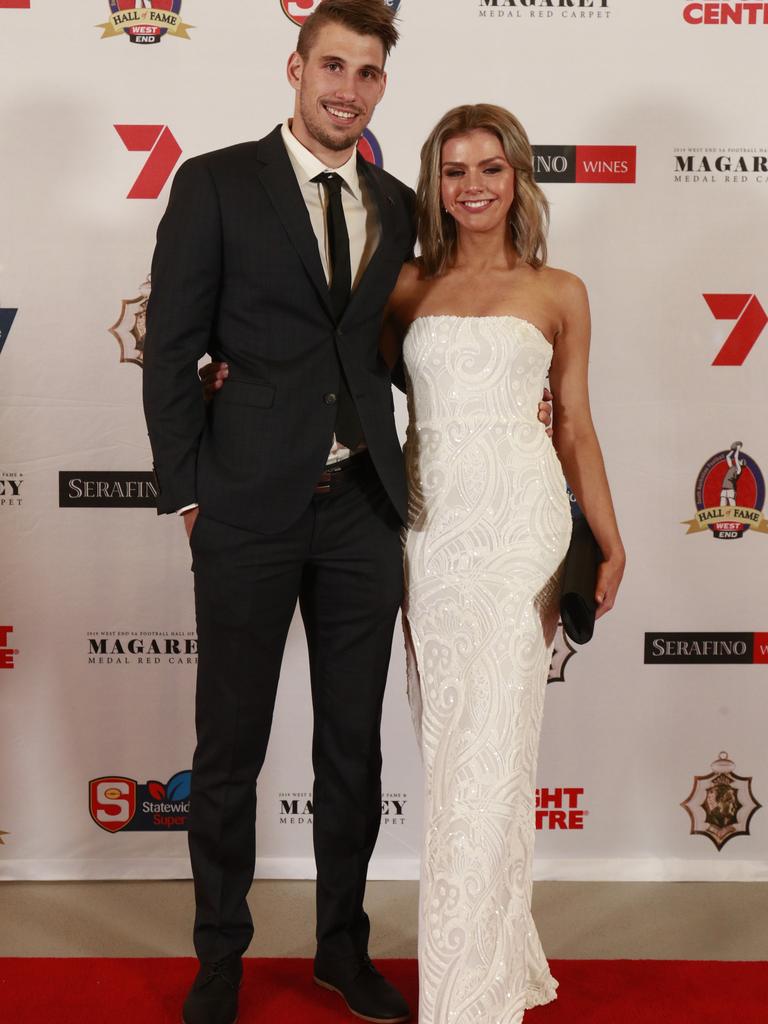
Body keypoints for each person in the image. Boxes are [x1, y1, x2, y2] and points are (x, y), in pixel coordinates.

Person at [143, 4, 415, 1023]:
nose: (348, 87)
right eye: (333, 65)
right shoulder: (214, 182)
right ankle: (219, 957)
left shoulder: (396, 201)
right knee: (229, 748)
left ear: (384, 86)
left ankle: (342, 950)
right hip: (247, 507)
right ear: (295, 68)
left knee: (354, 748)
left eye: (369, 72)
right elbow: (171, 349)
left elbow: (390, 349)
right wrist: (190, 492)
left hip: (362, 514)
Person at [379, 103, 625, 1024]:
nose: (472, 186)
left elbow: (577, 426)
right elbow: (335, 383)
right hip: (432, 534)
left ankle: (467, 994)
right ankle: (488, 956)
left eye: (490, 167)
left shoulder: (560, 290)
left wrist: (606, 532)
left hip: (522, 530)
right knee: (453, 757)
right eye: (454, 170)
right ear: (434, 185)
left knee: (499, 754)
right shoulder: (404, 287)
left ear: (518, 176)